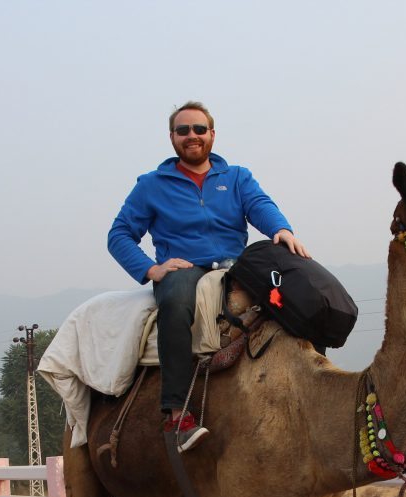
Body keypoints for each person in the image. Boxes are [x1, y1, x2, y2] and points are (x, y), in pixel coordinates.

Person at [107, 100, 309, 452]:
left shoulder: (236, 177)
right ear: (172, 137)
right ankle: (178, 413)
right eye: (183, 130)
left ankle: (311, 394)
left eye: (199, 129)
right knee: (176, 303)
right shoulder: (152, 185)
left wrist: (281, 229)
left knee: (299, 290)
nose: (192, 136)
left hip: (237, 264)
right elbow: (119, 235)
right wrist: (152, 270)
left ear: (212, 134)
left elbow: (260, 205)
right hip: (186, 269)